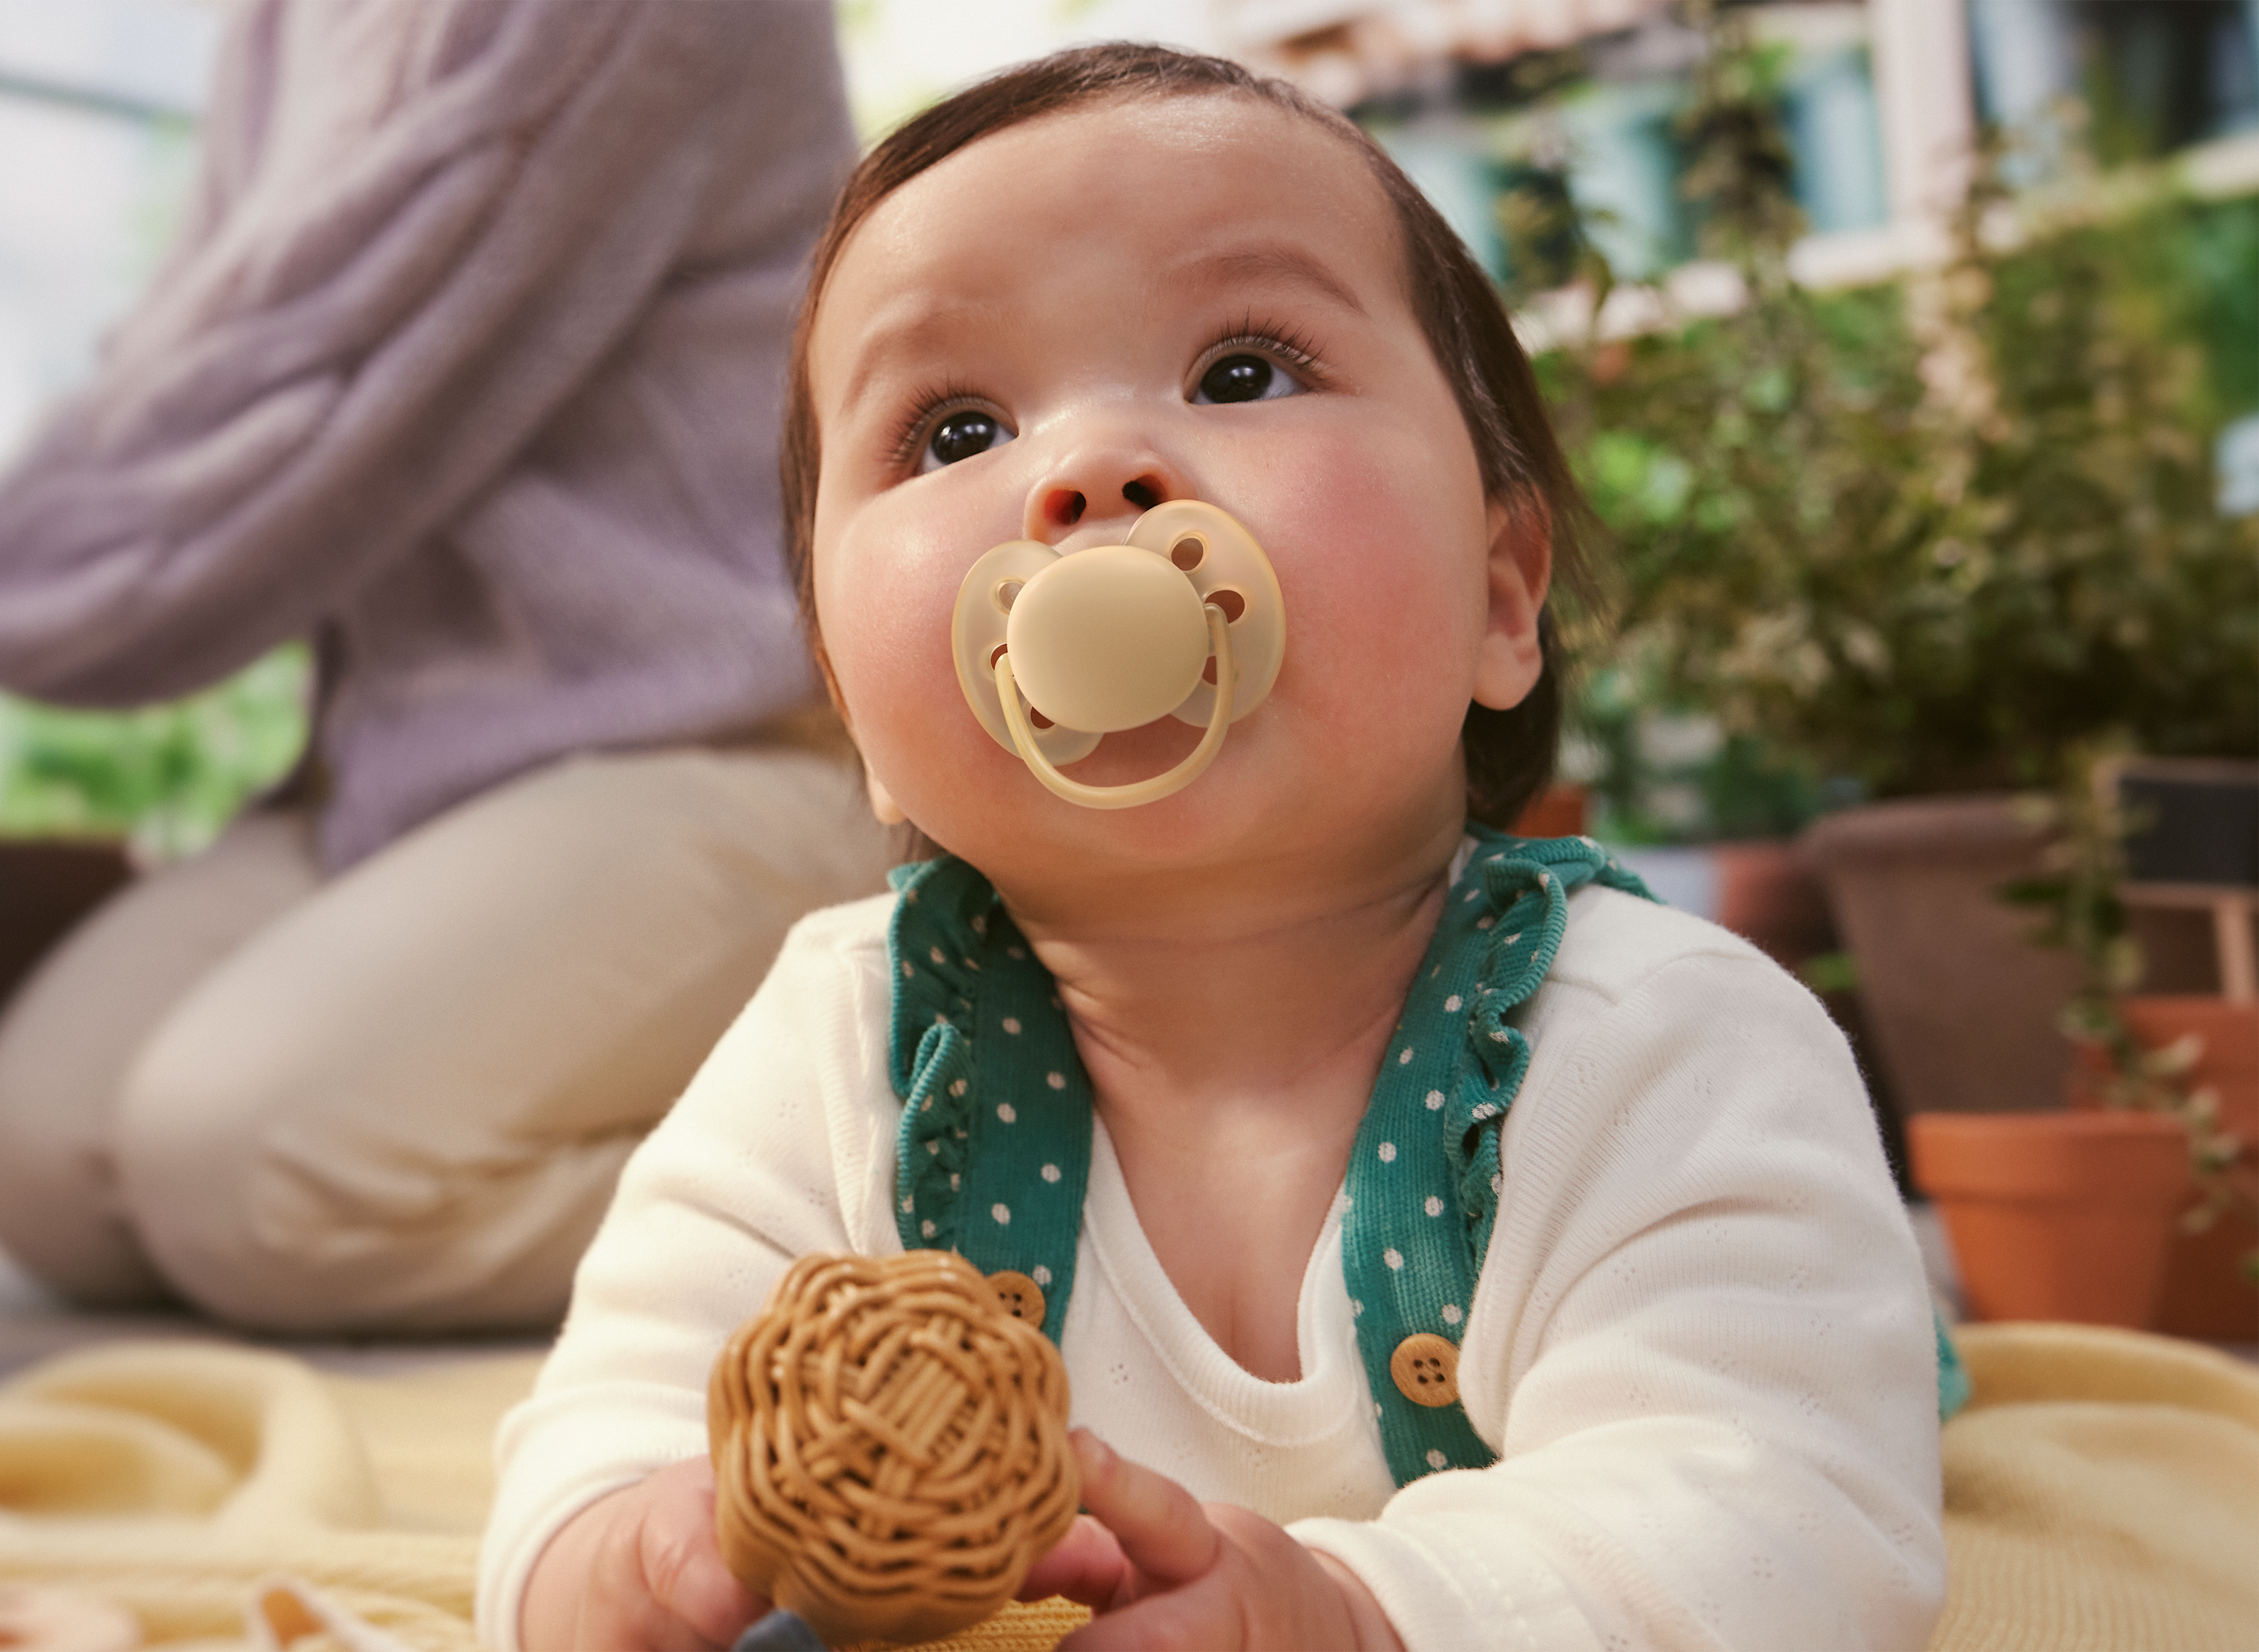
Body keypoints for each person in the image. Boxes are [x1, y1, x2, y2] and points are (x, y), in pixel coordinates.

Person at [481, 45, 1946, 1652]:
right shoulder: (842, 1047)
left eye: (1241, 372)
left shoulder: (1655, 1043)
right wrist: (633, 1558)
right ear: (850, 702)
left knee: (1824, 1355)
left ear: (1499, 596)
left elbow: (1782, 1518)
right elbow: (609, 1425)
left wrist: (1366, 1614)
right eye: (956, 430)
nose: (1084, 474)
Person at [0, 0, 895, 1335]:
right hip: (414, 780)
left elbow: (309, 371)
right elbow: (192, 347)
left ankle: (936, 1204)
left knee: (258, 1178)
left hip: (725, 740)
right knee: (51, 1170)